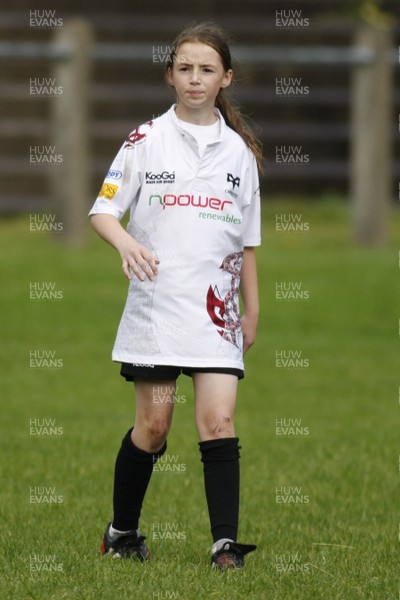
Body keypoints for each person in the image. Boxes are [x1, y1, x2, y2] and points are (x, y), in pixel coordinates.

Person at [89, 21, 262, 571]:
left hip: (215, 313)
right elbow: (102, 210)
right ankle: (121, 533)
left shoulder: (239, 155)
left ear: (225, 78)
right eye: (184, 68)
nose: (195, 78)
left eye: (207, 69)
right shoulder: (144, 140)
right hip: (157, 309)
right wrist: (124, 242)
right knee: (155, 428)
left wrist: (251, 310)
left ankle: (224, 547)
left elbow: (247, 244)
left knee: (218, 423)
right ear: (170, 75)